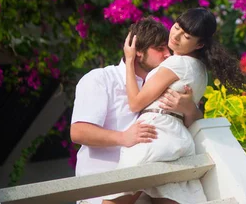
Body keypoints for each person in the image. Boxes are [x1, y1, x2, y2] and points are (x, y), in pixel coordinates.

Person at [103, 7, 245, 204]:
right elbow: (192, 118)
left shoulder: (178, 63)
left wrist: (129, 60)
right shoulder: (201, 71)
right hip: (177, 140)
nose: (176, 36)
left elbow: (135, 103)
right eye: (176, 27)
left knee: (114, 199)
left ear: (200, 44)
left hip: (153, 134)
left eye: (186, 36)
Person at [71, 17, 202, 204]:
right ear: (138, 52)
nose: (168, 55)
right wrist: (123, 137)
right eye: (160, 49)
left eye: (168, 49)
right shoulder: (100, 79)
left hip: (149, 193)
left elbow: (192, 123)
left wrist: (190, 109)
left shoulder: (167, 83)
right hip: (103, 193)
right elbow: (78, 132)